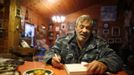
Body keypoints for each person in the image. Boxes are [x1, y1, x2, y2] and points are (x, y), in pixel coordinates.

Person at [43, 15, 123, 74]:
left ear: (91, 30)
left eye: (88, 28)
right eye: (81, 27)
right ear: (75, 28)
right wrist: (52, 59)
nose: (84, 30)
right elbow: (49, 53)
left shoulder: (100, 43)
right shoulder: (62, 41)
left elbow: (116, 59)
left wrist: (104, 63)